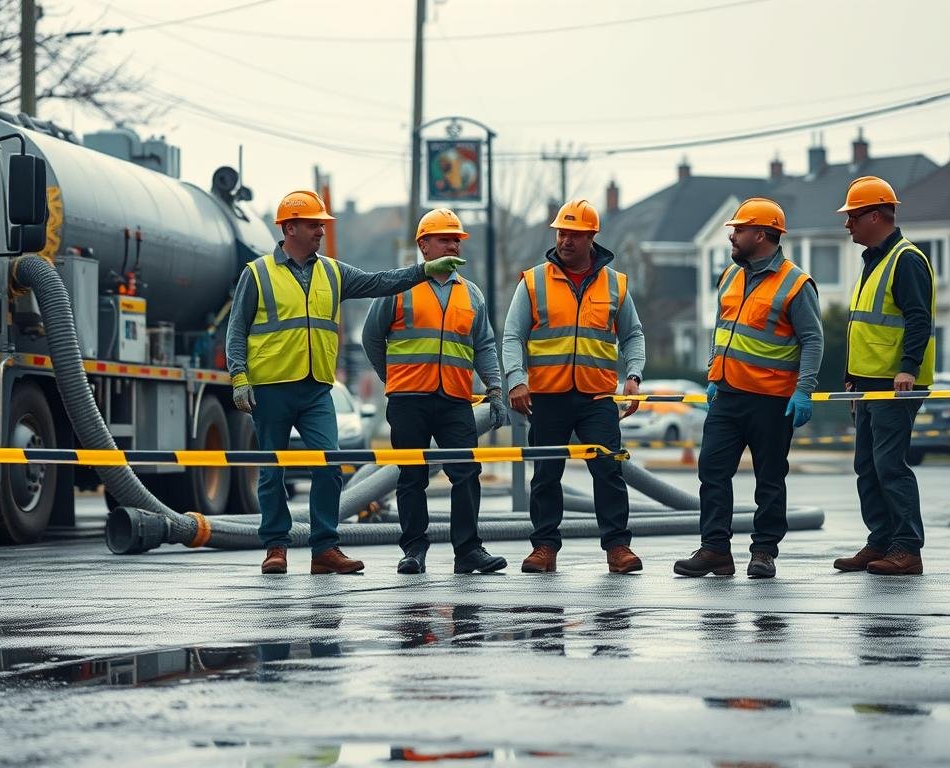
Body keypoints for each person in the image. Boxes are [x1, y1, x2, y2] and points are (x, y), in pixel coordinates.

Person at [226, 190, 465, 575]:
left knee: (330, 466)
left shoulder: (333, 272)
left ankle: (324, 548)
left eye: (322, 224)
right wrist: (239, 376)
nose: (321, 230)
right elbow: (236, 330)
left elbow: (380, 282)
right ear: (290, 228)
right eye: (313, 224)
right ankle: (275, 547)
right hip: (270, 387)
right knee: (272, 469)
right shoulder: (257, 274)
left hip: (317, 386)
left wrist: (424, 271)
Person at [673, 198, 823, 580]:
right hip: (727, 396)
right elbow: (721, 329)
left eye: (739, 229)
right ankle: (715, 551)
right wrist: (712, 373)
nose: (732, 235)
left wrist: (804, 389)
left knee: (769, 479)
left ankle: (763, 552)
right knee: (712, 471)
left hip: (772, 401)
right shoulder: (730, 276)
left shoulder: (796, 283)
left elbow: (812, 339)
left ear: (761, 234)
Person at [501, 199, 646, 574]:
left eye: (574, 234)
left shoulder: (616, 283)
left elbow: (633, 335)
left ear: (591, 238)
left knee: (608, 470)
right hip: (547, 396)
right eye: (561, 233)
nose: (565, 240)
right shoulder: (533, 281)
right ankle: (544, 548)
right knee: (547, 473)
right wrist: (516, 380)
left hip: (597, 396)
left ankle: (618, 548)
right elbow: (512, 336)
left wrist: (633, 377)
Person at [361, 208, 509, 575]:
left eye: (457, 238)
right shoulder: (400, 286)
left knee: (466, 472)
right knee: (412, 476)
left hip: (455, 400)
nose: (453, 243)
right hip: (408, 399)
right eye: (445, 238)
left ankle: (468, 551)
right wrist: (392, 379)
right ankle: (413, 550)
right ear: (423, 245)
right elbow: (372, 337)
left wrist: (495, 389)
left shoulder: (470, 294)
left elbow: (485, 345)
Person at [832, 176, 936, 576]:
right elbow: (863, 326)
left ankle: (907, 548)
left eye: (853, 216)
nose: (848, 225)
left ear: (875, 215)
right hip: (869, 383)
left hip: (895, 384)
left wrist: (907, 368)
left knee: (889, 464)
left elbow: (918, 319)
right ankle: (881, 542)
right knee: (868, 465)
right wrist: (850, 377)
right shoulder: (874, 260)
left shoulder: (905, 259)